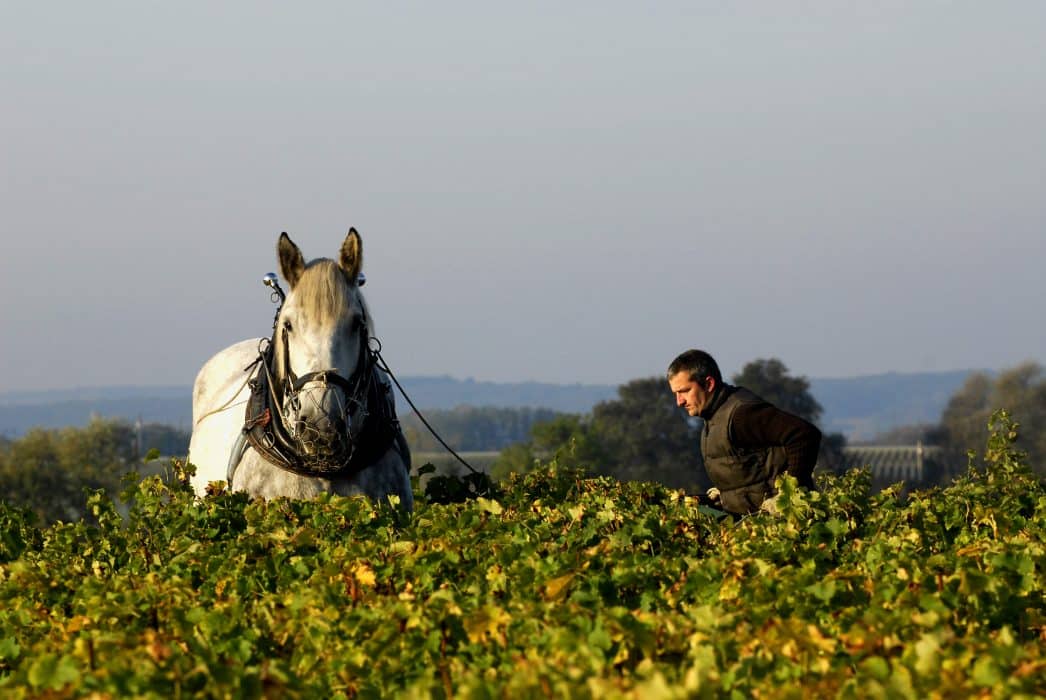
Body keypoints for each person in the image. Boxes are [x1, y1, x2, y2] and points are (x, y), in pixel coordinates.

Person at [667, 349, 821, 516]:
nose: (679, 402)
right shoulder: (713, 418)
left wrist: (790, 495)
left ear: (708, 384)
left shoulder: (742, 414)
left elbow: (804, 434)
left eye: (684, 391)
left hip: (780, 526)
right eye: (675, 394)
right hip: (752, 527)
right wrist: (725, 494)